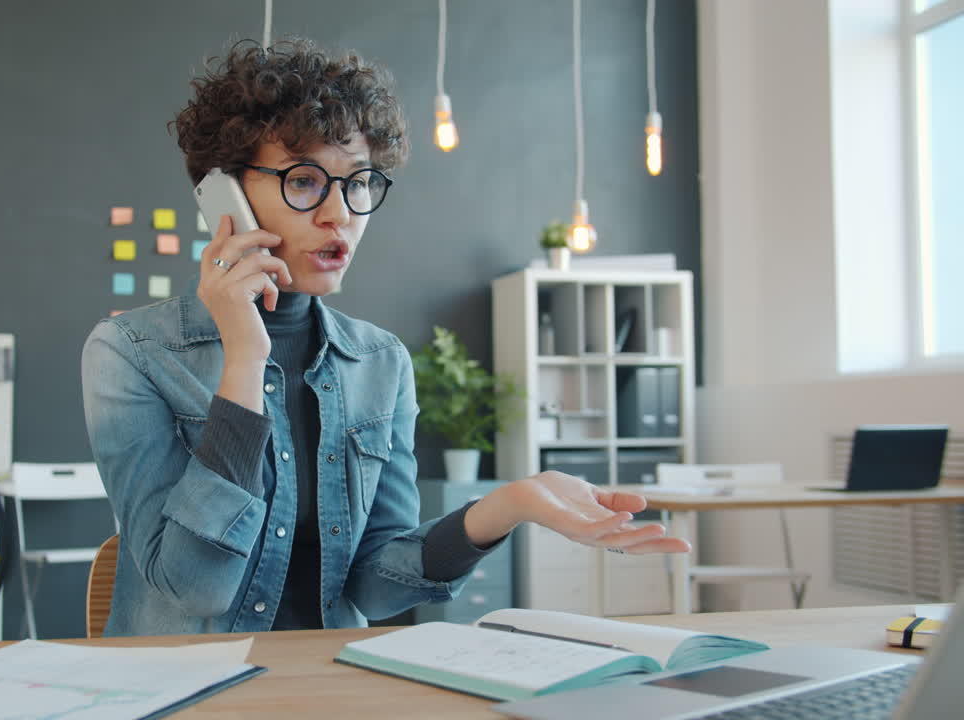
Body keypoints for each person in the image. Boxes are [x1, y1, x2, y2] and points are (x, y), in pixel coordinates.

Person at [81, 37, 689, 637]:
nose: (341, 213)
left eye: (360, 182)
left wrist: (511, 504)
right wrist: (244, 359)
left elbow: (375, 584)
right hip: (187, 690)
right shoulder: (131, 353)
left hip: (335, 683)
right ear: (225, 197)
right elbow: (197, 586)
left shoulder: (379, 362)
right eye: (303, 181)